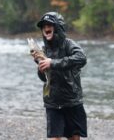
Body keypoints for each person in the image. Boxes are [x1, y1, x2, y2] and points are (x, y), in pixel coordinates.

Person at [32, 12, 87, 140]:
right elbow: (43, 79)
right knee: (54, 138)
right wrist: (40, 68)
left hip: (72, 101)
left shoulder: (69, 44)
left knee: (74, 138)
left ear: (58, 27)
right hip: (53, 102)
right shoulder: (43, 50)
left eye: (50, 24)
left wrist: (52, 63)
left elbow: (82, 58)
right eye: (44, 25)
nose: (46, 27)